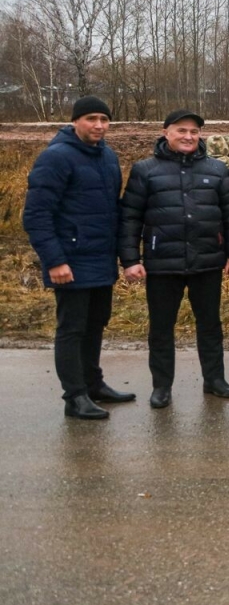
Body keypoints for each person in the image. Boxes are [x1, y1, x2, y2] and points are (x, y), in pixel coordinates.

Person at [118, 109, 229, 409]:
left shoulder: (216, 170)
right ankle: (162, 386)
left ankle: (215, 379)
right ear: (167, 133)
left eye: (194, 132)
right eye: (181, 131)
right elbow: (130, 219)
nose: (188, 137)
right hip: (163, 263)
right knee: (161, 328)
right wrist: (130, 260)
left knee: (210, 325)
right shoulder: (145, 170)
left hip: (207, 262)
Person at [23, 96, 134, 420]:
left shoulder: (108, 156)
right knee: (72, 329)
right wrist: (55, 261)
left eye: (103, 119)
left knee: (96, 324)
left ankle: (93, 384)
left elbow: (111, 209)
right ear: (75, 122)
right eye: (90, 119)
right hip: (70, 262)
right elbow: (37, 215)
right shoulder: (56, 158)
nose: (98, 125)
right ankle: (75, 397)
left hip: (100, 258)